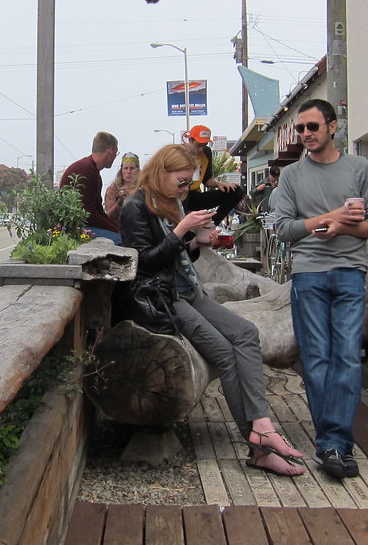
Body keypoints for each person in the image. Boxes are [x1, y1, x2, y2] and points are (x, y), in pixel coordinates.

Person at [120, 144, 306, 477]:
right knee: (224, 353)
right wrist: (181, 231)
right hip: (163, 298)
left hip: (188, 289)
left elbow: (177, 258)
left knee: (246, 334)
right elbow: (143, 264)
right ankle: (259, 448)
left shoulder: (169, 201)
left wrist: (195, 243)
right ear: (161, 172)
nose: (183, 189)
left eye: (187, 183)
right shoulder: (135, 207)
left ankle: (261, 427)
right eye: (180, 182)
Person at [272, 98, 368, 480]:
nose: (306, 134)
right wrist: (328, 218)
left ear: (333, 127)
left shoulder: (359, 169)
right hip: (308, 275)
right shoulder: (290, 177)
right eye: (301, 128)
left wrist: (342, 227)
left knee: (349, 358)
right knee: (317, 359)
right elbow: (285, 229)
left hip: (350, 273)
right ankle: (332, 444)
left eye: (313, 127)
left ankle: (335, 443)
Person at [60, 131, 121, 243]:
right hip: (77, 228)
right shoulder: (86, 170)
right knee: (122, 241)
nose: (114, 157)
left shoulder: (91, 170)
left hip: (84, 225)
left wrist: (117, 228)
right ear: (111, 150)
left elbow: (98, 211)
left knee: (123, 236)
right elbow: (90, 215)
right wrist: (116, 230)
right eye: (116, 153)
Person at [182, 125, 245, 226]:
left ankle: (212, 224)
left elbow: (206, 180)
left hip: (195, 196)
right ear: (190, 140)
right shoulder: (178, 153)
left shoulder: (206, 152)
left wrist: (219, 184)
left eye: (204, 145)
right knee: (184, 195)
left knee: (236, 191)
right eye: (198, 145)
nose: (201, 149)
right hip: (180, 195)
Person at [104, 152, 140, 223]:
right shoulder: (113, 189)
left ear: (137, 170)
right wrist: (119, 203)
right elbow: (108, 217)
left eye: (132, 168)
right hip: (117, 230)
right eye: (126, 168)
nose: (128, 172)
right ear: (121, 170)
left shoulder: (144, 188)